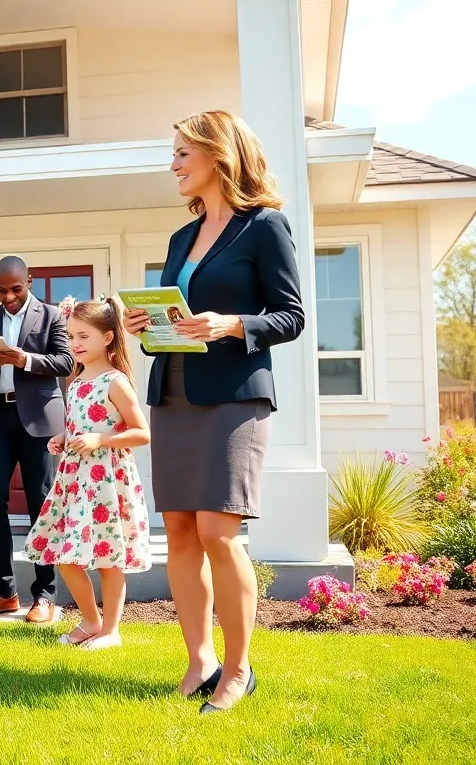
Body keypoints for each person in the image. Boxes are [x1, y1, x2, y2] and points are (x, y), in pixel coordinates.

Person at [122, 110, 305, 714]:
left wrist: (234, 324)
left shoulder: (265, 227)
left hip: (234, 396)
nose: (172, 164)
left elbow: (291, 316)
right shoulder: (182, 238)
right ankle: (200, 659)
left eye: (181, 153)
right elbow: (173, 323)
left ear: (217, 155)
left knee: (218, 531)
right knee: (177, 529)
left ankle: (238, 667)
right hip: (172, 390)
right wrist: (143, 326)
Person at [24, 295, 152, 649]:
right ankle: (91, 621)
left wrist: (100, 439)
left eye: (83, 336)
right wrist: (63, 436)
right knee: (62, 552)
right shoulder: (76, 381)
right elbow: (80, 421)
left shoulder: (116, 382)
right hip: (75, 479)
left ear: (108, 337)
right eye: (71, 336)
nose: (75, 344)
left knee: (109, 559)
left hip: (107, 480)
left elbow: (142, 433)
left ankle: (111, 630)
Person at [0, 256, 74, 623]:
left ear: (29, 281)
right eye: (1, 289)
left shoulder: (53, 315)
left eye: (16, 288)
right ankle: (4, 592)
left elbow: (65, 362)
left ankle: (45, 595)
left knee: (40, 502)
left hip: (39, 419)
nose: (8, 296)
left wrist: (23, 359)